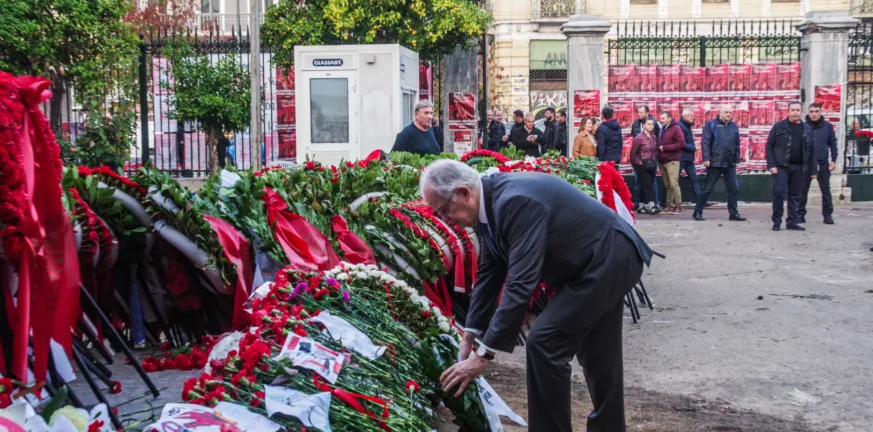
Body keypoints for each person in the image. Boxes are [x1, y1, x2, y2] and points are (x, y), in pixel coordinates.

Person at [420, 159, 654, 432]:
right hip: (599, 260)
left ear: (463, 192)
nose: (445, 220)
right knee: (599, 352)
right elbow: (490, 272)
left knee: (545, 343)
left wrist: (483, 356)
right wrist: (470, 334)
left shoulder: (514, 202)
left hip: (609, 257)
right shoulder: (488, 204)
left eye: (444, 210)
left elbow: (521, 282)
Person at [766, 101, 816, 231]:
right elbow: (769, 146)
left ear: (801, 112)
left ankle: (792, 222)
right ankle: (777, 221)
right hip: (781, 166)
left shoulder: (807, 129)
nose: (795, 112)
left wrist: (813, 169)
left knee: (795, 195)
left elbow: (812, 151)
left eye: (798, 110)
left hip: (799, 167)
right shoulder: (779, 126)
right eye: (792, 110)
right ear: (788, 112)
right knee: (779, 193)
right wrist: (771, 165)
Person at [693, 105, 747, 222]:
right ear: (720, 113)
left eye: (731, 112)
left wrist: (737, 159)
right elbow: (705, 142)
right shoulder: (711, 124)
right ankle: (697, 211)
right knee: (707, 188)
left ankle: (733, 213)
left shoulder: (734, 126)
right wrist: (706, 158)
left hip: (729, 163)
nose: (729, 114)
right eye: (727, 112)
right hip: (715, 162)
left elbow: (737, 144)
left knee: (734, 188)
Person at [798, 103, 838, 225]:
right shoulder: (803, 127)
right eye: (812, 111)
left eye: (816, 111)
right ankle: (800, 214)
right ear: (808, 113)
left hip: (823, 163)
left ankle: (827, 215)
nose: (814, 114)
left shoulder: (828, 127)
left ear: (821, 112)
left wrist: (833, 160)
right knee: (802, 190)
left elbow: (833, 144)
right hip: (807, 164)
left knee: (826, 190)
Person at [630, 106, 660, 210]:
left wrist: (654, 161)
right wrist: (635, 164)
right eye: (648, 124)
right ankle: (652, 205)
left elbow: (655, 150)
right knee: (646, 185)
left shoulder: (654, 137)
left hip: (651, 164)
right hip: (641, 164)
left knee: (649, 184)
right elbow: (633, 152)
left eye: (652, 124)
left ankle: (642, 205)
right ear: (644, 125)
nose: (651, 126)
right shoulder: (638, 138)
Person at [657, 111, 685, 214]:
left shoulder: (676, 128)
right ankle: (669, 205)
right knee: (667, 185)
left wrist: (665, 148)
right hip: (663, 161)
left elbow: (681, 143)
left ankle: (678, 206)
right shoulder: (662, 129)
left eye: (663, 118)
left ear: (669, 118)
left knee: (674, 184)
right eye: (661, 118)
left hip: (672, 160)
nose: (661, 120)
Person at [678, 109, 702, 204]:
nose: (693, 117)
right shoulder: (680, 126)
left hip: (687, 158)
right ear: (685, 116)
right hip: (681, 158)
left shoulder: (686, 126)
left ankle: (700, 200)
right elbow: (682, 144)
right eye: (691, 115)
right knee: (674, 181)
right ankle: (665, 201)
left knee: (694, 178)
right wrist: (694, 148)